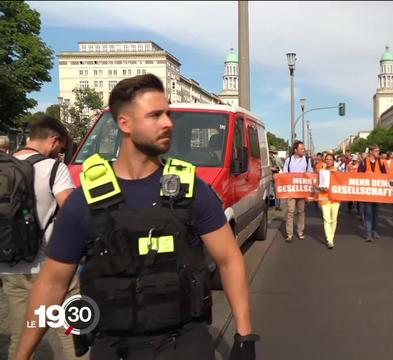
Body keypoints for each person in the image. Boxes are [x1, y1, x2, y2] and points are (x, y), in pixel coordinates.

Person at [15, 75, 258, 360]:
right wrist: (22, 354)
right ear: (124, 124)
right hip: (114, 346)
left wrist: (244, 336)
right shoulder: (84, 202)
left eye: (167, 113)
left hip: (186, 343)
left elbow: (229, 260)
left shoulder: (192, 191)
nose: (168, 123)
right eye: (155, 115)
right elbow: (52, 283)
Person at [0, 116, 82, 360]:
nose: (61, 153)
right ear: (54, 140)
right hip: (52, 265)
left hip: (10, 265)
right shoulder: (55, 169)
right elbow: (73, 213)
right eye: (63, 148)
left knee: (21, 335)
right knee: (72, 332)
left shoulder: (5, 167)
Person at [282, 140, 314, 242]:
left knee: (301, 212)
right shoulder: (289, 160)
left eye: (303, 148)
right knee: (290, 212)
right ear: (295, 150)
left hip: (302, 191)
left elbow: (310, 173)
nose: (303, 150)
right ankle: (289, 234)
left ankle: (300, 231)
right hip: (291, 190)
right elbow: (284, 174)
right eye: (301, 148)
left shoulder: (307, 160)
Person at [358, 144, 386, 242]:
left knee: (376, 213)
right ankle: (368, 233)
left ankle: (374, 230)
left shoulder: (381, 162)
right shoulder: (363, 162)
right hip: (367, 193)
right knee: (368, 213)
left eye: (378, 151)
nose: (378, 153)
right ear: (370, 152)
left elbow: (385, 176)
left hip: (378, 192)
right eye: (376, 151)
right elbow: (358, 176)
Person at [317, 154, 340, 249]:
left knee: (334, 219)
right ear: (324, 160)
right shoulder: (321, 171)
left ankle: (331, 237)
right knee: (326, 219)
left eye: (330, 159)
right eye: (327, 159)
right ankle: (329, 240)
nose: (328, 161)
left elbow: (342, 184)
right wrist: (321, 188)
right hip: (324, 196)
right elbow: (315, 184)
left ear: (334, 161)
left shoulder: (337, 171)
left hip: (335, 197)